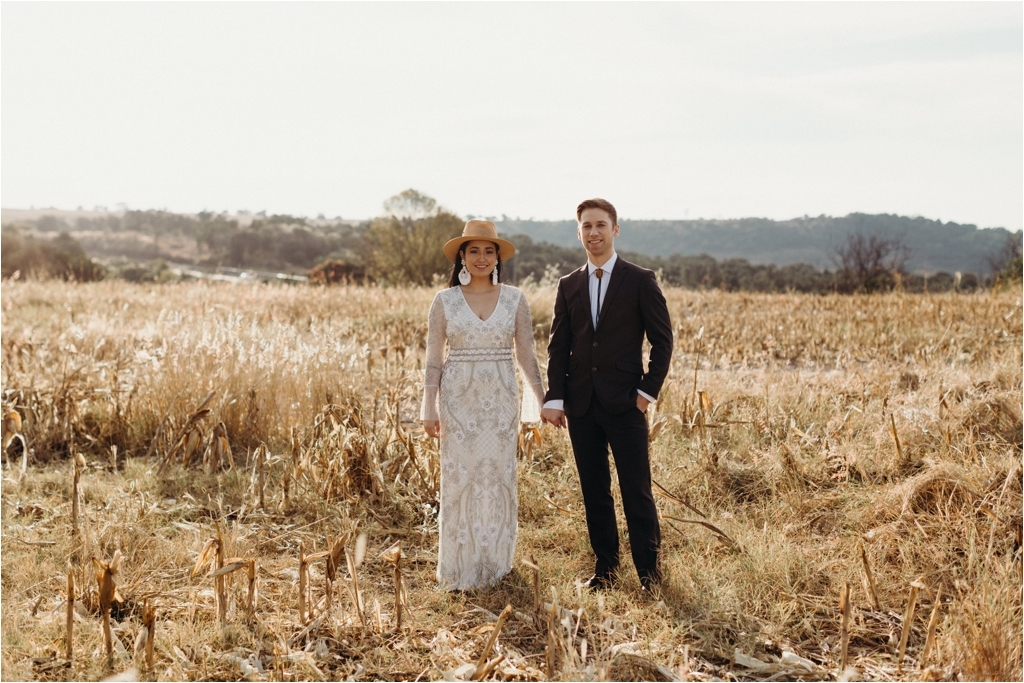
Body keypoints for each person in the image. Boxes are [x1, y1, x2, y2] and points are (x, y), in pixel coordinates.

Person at [540, 198, 673, 592]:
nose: (593, 233)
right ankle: (606, 570)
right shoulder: (569, 284)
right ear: (578, 232)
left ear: (615, 230)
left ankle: (649, 575)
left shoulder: (640, 279)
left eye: (600, 225)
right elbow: (557, 346)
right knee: (594, 490)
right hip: (581, 406)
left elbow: (662, 342)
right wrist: (554, 397)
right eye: (586, 226)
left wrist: (647, 392)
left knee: (636, 490)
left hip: (625, 403)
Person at [421, 220, 546, 590]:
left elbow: (526, 354)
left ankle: (494, 568)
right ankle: (459, 569)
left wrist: (543, 399)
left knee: (496, 478)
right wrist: (428, 405)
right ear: (461, 255)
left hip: (502, 401)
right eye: (473, 250)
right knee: (461, 478)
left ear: (497, 258)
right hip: (458, 401)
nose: (481, 257)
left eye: (488, 251)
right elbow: (433, 359)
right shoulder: (443, 301)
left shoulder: (515, 298)